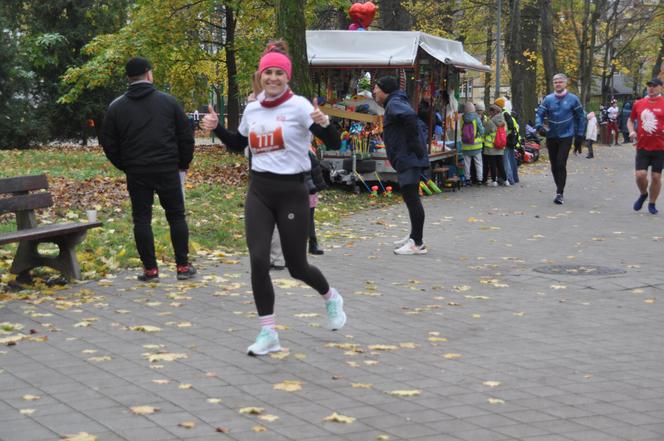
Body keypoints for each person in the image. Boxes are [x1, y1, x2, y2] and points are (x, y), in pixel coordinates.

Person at [202, 40, 345, 355]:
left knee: (297, 266)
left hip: (292, 191)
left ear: (287, 77)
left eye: (279, 73)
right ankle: (269, 333)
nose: (273, 78)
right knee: (257, 260)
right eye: (268, 73)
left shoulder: (299, 106)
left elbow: (332, 141)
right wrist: (216, 129)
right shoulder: (252, 108)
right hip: (260, 191)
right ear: (260, 76)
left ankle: (330, 296)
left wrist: (325, 124)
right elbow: (238, 142)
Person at [100, 57, 196, 282]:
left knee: (141, 219)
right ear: (149, 74)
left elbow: (108, 142)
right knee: (176, 216)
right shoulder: (169, 102)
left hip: (137, 171)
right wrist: (182, 163)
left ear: (128, 78)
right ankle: (182, 266)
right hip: (167, 168)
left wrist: (125, 164)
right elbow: (185, 137)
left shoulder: (117, 107)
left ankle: (150, 270)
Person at [373, 76, 429, 255]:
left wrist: (414, 144)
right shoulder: (396, 101)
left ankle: (417, 243)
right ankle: (414, 235)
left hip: (408, 157)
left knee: (412, 198)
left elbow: (410, 116)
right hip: (407, 157)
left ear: (385, 90)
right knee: (410, 198)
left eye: (376, 88)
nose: (374, 92)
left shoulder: (394, 103)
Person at [535, 73, 586, 205]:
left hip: (566, 136)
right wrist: (539, 126)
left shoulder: (573, 99)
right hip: (551, 136)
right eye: (555, 82)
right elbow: (539, 114)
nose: (558, 84)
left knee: (560, 163)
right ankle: (559, 188)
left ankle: (559, 193)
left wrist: (580, 135)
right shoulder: (548, 99)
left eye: (560, 82)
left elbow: (581, 117)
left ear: (565, 83)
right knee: (553, 166)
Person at [627, 78, 664, 215]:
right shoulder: (639, 103)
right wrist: (631, 131)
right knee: (640, 175)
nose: (651, 88)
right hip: (642, 145)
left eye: (654, 86)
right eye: (649, 86)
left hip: (660, 147)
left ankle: (652, 203)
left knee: (655, 177)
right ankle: (643, 194)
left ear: (661, 87)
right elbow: (630, 120)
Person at [495, 98, 519, 185]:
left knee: (505, 161)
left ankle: (509, 179)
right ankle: (514, 178)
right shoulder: (508, 114)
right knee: (511, 160)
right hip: (511, 140)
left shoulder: (503, 115)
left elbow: (504, 129)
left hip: (506, 140)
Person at [483, 105, 508, 186]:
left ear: (493, 112)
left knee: (493, 164)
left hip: (491, 146)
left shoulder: (491, 121)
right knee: (500, 164)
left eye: (490, 111)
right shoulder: (503, 121)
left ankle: (494, 181)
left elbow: (485, 132)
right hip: (500, 145)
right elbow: (506, 132)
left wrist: (485, 123)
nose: (489, 113)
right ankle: (505, 180)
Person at [460, 101, 484, 185]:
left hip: (465, 145)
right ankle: (479, 180)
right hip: (476, 145)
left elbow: (460, 130)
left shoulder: (462, 118)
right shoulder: (476, 118)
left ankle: (467, 179)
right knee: (478, 163)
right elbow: (481, 131)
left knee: (467, 164)